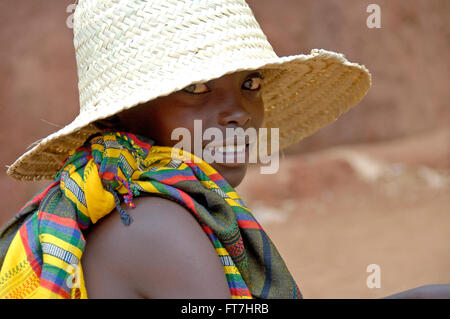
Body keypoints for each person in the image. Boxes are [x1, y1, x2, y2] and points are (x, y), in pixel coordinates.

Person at [5, 0, 429, 299]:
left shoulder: (133, 204)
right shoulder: (155, 225)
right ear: (128, 112)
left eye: (250, 83)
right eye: (195, 89)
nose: (239, 114)